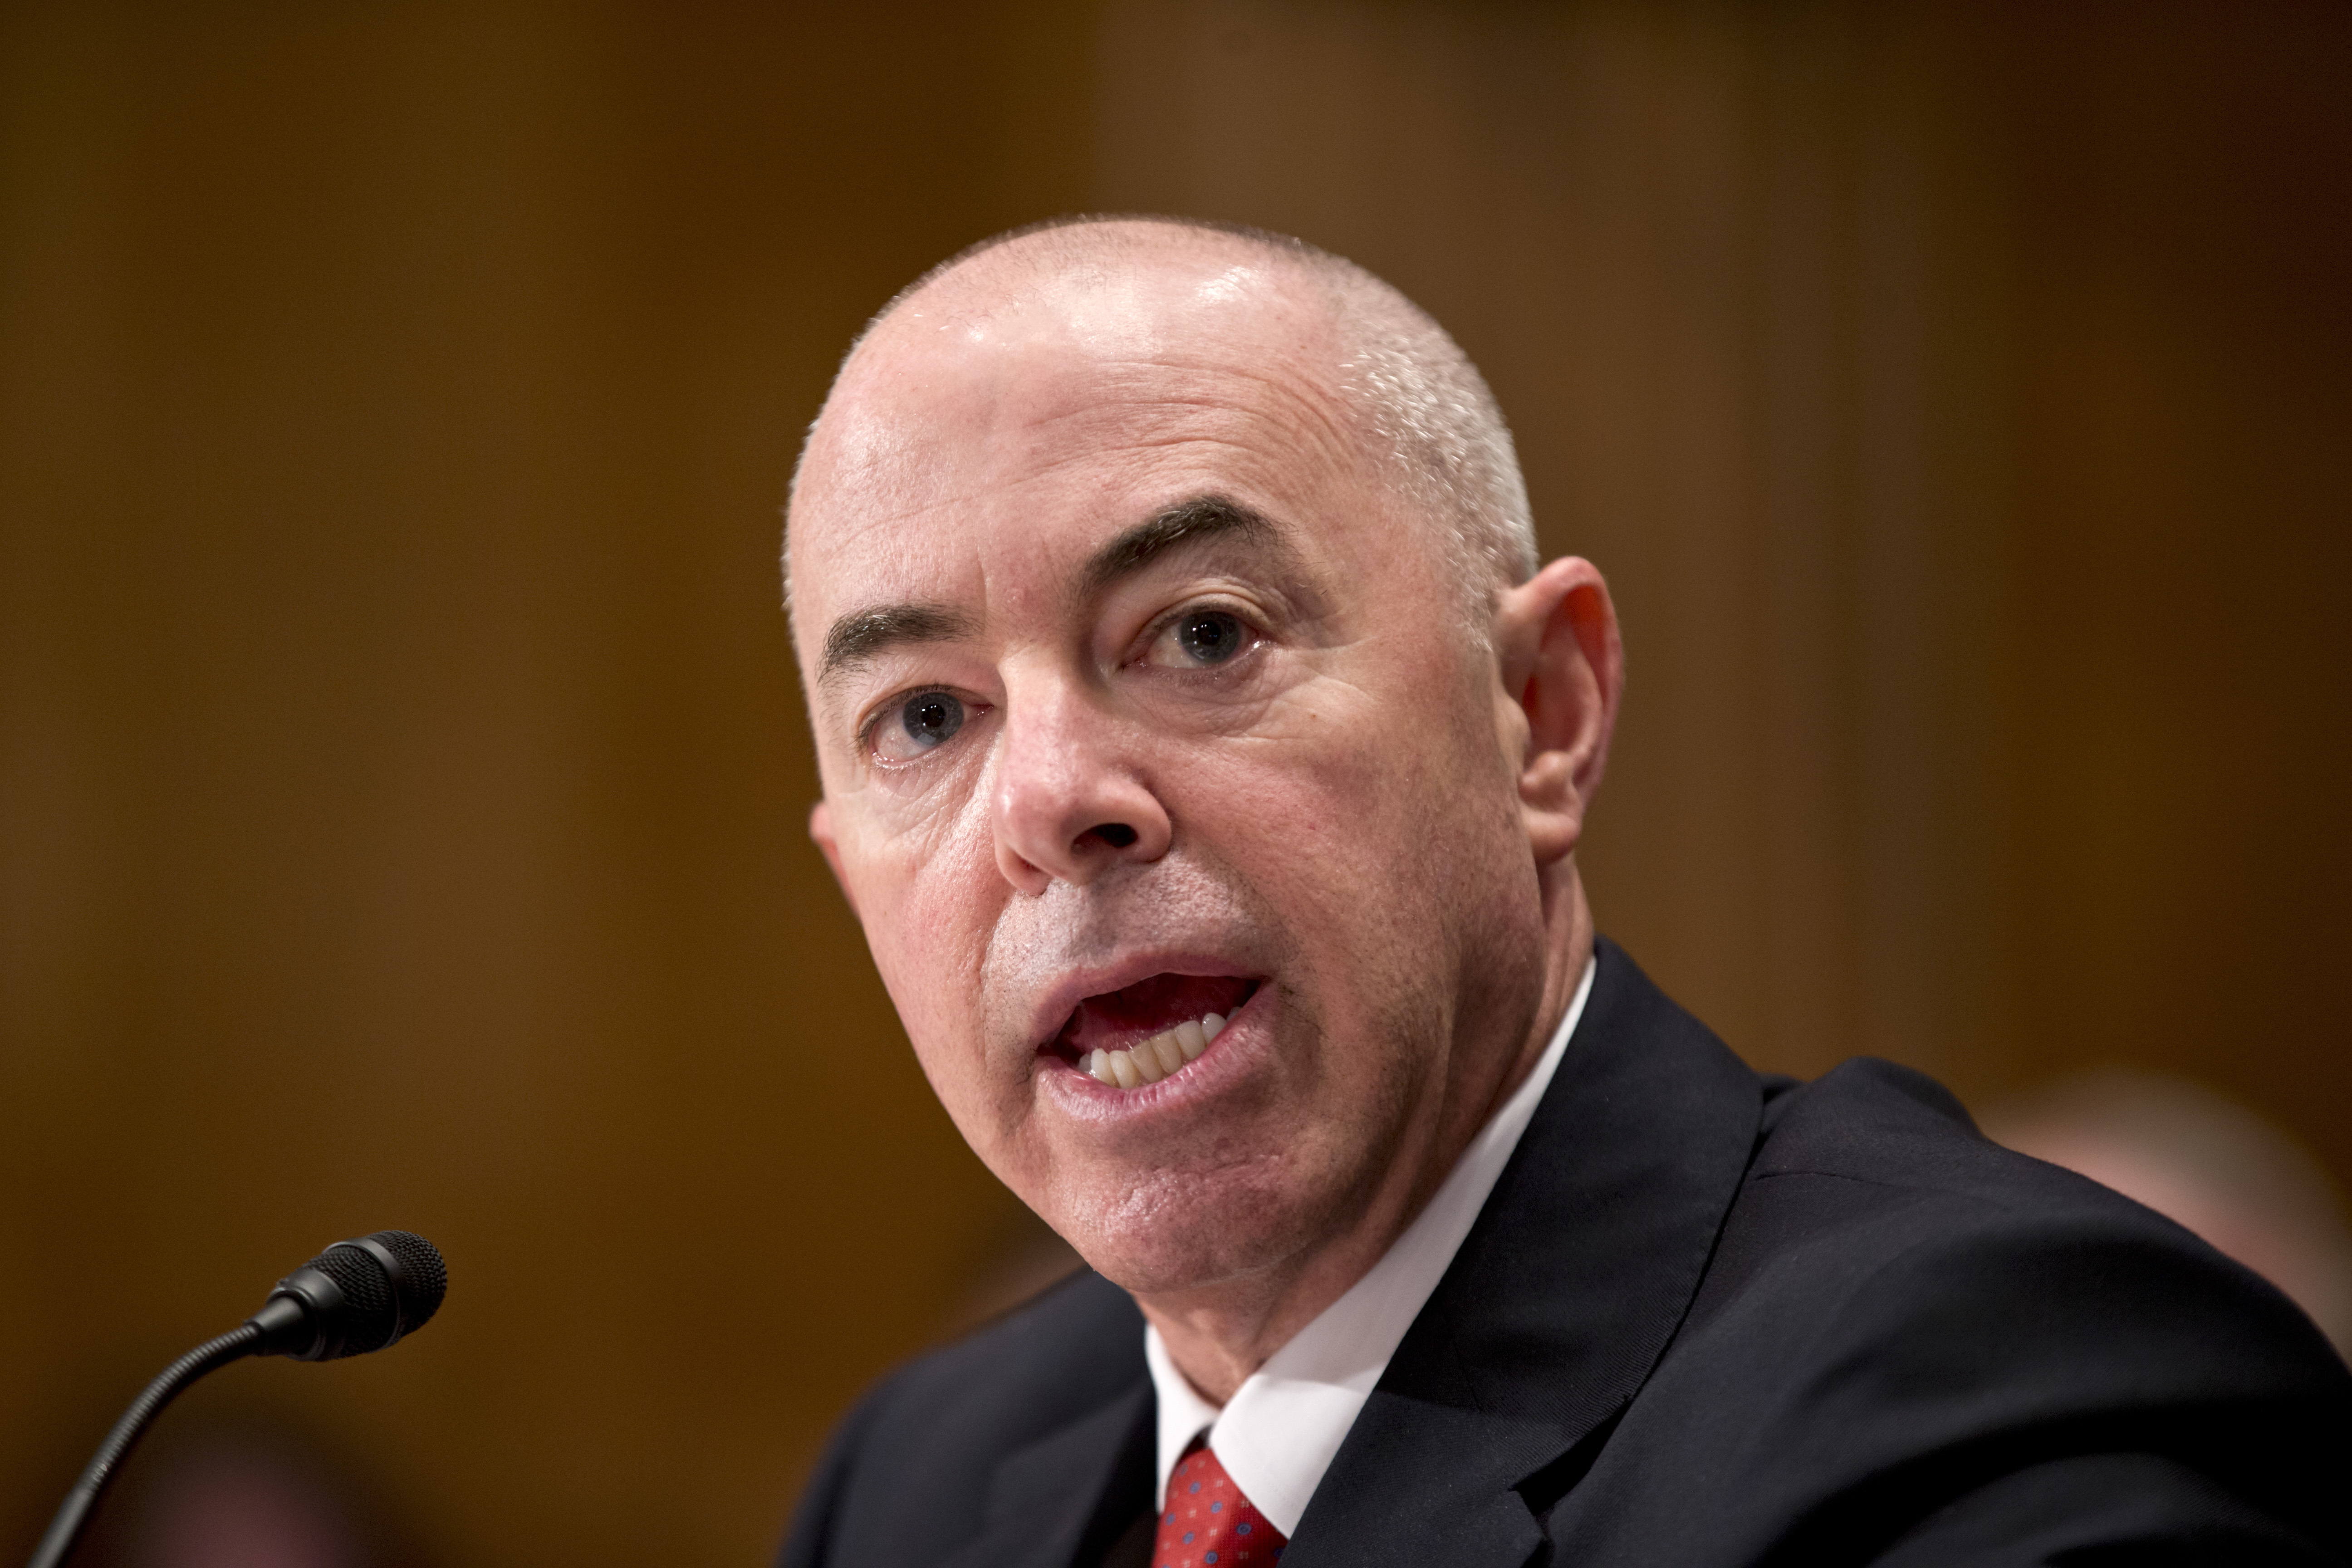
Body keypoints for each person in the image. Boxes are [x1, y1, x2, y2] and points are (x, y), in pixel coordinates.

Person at [775, 216, 2348, 1567]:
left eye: (1201, 635)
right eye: (924, 716)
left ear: (1542, 709)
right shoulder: (921, 1482)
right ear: (856, 883)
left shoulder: (1995, 1397)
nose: (1051, 804)